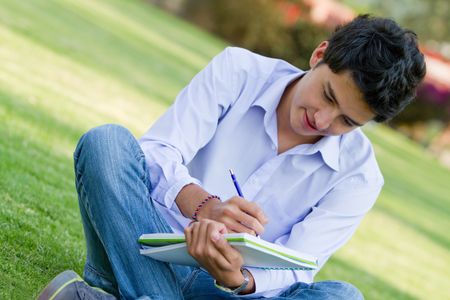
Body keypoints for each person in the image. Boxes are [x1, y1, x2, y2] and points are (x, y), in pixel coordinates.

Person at [38, 14, 425, 299]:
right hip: (145, 247)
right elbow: (158, 151)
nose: (322, 120)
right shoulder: (238, 70)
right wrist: (204, 206)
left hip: (225, 290)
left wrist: (238, 278)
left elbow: (298, 266)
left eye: (347, 121)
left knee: (342, 297)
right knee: (107, 144)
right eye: (327, 96)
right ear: (319, 54)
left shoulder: (359, 176)